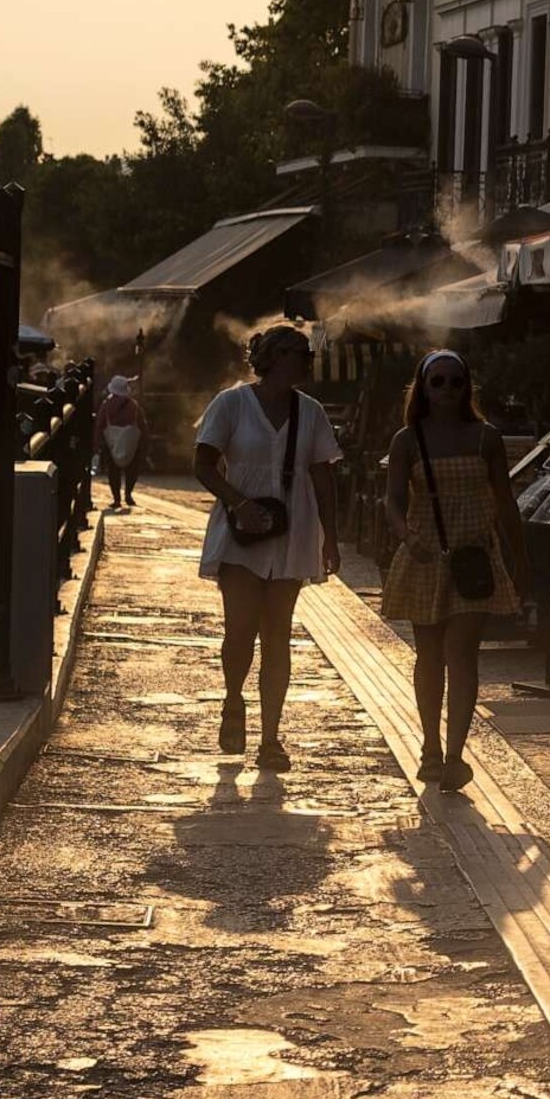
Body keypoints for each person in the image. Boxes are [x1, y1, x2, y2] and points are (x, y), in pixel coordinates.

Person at [192, 324, 342, 775]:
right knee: (240, 630)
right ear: (274, 356)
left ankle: (271, 737)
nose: (307, 361)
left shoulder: (310, 412)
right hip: (242, 533)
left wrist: (330, 537)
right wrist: (239, 502)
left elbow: (322, 475)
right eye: (300, 353)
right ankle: (233, 698)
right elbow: (202, 464)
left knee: (278, 634)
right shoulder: (232, 404)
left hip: (292, 533)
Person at [381, 349, 523, 791]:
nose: (446, 390)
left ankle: (456, 753)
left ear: (467, 387)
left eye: (455, 382)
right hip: (425, 555)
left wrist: (521, 561)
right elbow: (393, 501)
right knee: (428, 656)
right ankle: (430, 747)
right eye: (437, 381)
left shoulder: (486, 438)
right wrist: (407, 536)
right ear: (423, 387)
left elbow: (505, 501)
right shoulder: (408, 440)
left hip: (474, 558)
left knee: (461, 654)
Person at [98, 373, 146, 512]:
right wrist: (144, 442)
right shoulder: (134, 405)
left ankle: (117, 498)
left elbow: (100, 424)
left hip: (111, 442)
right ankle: (128, 494)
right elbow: (142, 425)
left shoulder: (107, 405)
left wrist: (96, 443)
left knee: (113, 472)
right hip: (131, 443)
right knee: (132, 470)